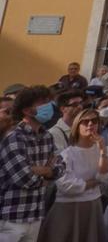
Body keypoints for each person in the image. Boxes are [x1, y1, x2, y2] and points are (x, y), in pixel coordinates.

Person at [0, 85, 60, 241]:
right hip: (11, 217)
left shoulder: (47, 136)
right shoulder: (14, 137)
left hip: (35, 214)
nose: (49, 105)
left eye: (49, 101)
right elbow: (24, 178)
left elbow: (61, 166)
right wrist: (48, 175)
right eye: (43, 102)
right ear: (27, 110)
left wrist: (44, 171)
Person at [42, 107, 108, 241]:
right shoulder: (67, 154)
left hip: (93, 205)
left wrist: (102, 150)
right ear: (77, 125)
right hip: (69, 208)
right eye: (85, 121)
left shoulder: (104, 151)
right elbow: (66, 185)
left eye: (94, 121)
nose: (90, 124)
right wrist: (92, 183)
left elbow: (106, 175)